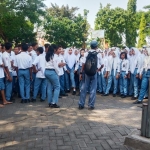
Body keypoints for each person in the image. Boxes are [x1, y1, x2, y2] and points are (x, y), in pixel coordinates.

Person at [78, 41, 103, 110]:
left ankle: (81, 104)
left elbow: (83, 64)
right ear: (96, 47)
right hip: (94, 73)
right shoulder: (98, 54)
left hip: (86, 73)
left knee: (84, 88)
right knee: (93, 89)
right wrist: (99, 69)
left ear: (90, 46)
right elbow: (102, 64)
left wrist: (81, 73)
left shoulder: (86, 53)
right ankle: (91, 105)